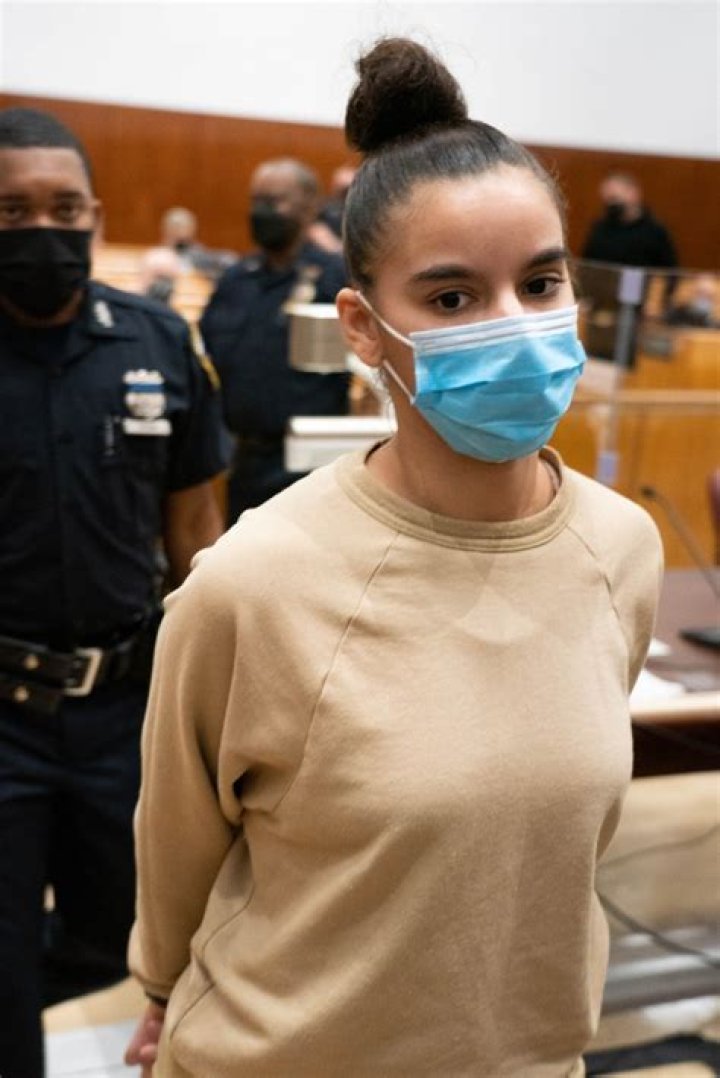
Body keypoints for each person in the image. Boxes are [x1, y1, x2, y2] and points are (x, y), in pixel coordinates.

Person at [126, 38, 663, 1077]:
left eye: (541, 281)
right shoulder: (251, 583)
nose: (515, 327)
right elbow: (177, 848)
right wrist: (157, 987)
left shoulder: (620, 546)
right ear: (366, 330)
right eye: (452, 298)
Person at [0, 106, 229, 1078]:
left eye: (64, 209)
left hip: (126, 710)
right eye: (13, 212)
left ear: (94, 215)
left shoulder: (157, 342)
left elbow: (199, 541)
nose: (42, 230)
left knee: (125, 938)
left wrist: (218, 713)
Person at [199, 157, 350, 524]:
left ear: (309, 207)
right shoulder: (237, 278)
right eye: (256, 201)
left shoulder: (336, 279)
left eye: (273, 202)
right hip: (243, 459)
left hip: (309, 464)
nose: (261, 212)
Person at [581, 171, 678, 270]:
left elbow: (668, 270)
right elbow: (587, 265)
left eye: (614, 198)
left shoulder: (654, 230)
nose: (611, 204)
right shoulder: (600, 228)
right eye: (607, 200)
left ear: (633, 194)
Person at [159, 205, 236, 282]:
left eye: (185, 226)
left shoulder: (199, 253)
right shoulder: (158, 256)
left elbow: (226, 260)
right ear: (166, 229)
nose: (180, 231)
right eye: (176, 227)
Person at [306, 163, 357, 254]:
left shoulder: (367, 212)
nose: (346, 193)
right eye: (343, 190)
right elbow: (312, 228)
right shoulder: (322, 208)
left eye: (350, 188)